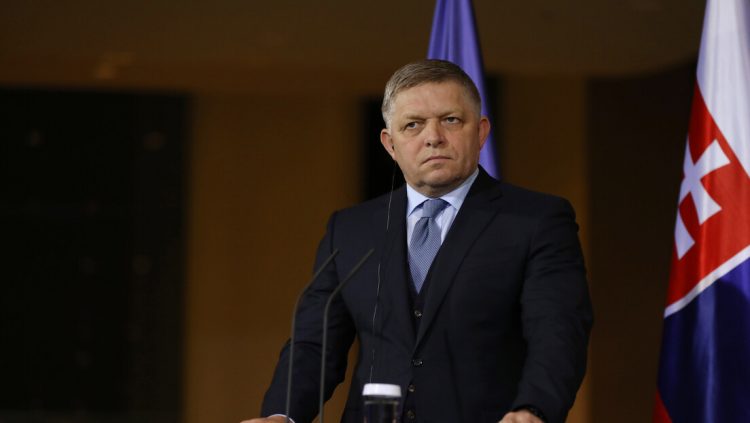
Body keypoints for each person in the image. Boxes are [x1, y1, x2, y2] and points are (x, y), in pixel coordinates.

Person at [243, 59, 592, 423]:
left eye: (450, 120)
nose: (433, 137)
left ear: (481, 132)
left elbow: (558, 331)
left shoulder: (535, 220)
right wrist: (281, 415)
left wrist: (533, 409)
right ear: (390, 144)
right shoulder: (350, 229)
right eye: (413, 125)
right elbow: (315, 343)